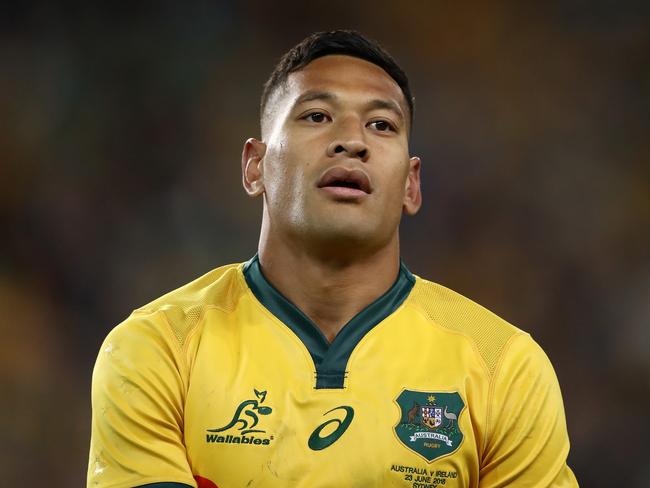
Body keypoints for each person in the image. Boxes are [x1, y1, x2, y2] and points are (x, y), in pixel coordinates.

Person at [87, 30, 578, 488]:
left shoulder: (504, 369)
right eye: (317, 116)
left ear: (411, 184)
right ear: (255, 165)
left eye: (381, 124)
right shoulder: (158, 349)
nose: (352, 140)